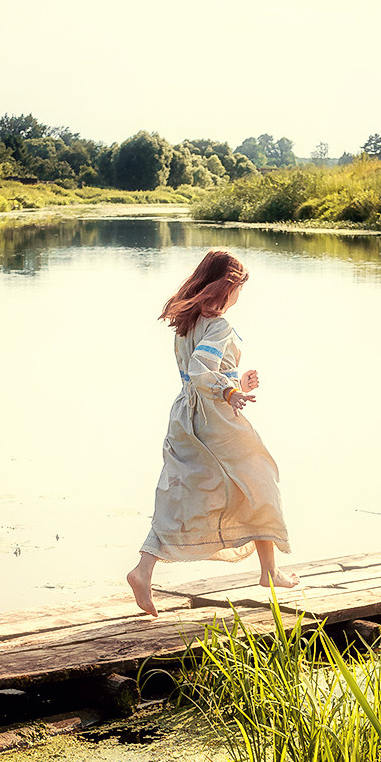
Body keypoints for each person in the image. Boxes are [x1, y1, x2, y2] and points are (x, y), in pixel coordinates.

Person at [126, 250, 295, 616]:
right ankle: (269, 571)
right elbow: (202, 371)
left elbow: (199, 374)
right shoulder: (219, 326)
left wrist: (237, 381)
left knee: (182, 492)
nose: (239, 296)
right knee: (258, 479)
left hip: (186, 415)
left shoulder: (186, 323)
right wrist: (230, 393)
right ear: (225, 286)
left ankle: (143, 570)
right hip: (216, 419)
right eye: (239, 288)